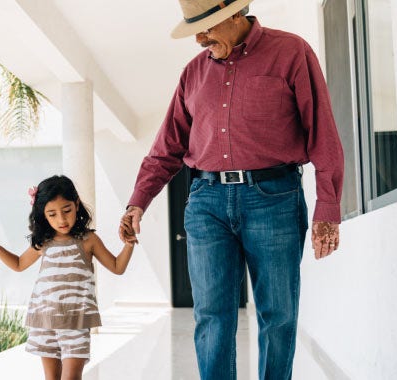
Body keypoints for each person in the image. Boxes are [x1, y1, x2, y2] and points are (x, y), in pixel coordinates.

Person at [118, 1, 345, 378]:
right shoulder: (193, 73)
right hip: (207, 202)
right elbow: (167, 147)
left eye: (206, 26)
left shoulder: (291, 52)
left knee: (278, 314)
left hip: (274, 198)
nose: (199, 38)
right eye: (194, 27)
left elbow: (323, 134)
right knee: (211, 316)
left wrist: (328, 209)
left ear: (235, 14)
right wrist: (137, 201)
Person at [0, 175, 135, 380]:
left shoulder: (88, 239)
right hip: (44, 321)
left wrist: (129, 244)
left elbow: (117, 267)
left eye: (67, 211)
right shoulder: (44, 241)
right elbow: (19, 264)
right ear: (43, 216)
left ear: (77, 205)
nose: (61, 220)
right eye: (52, 214)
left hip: (76, 321)